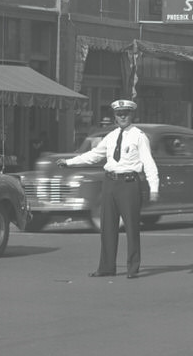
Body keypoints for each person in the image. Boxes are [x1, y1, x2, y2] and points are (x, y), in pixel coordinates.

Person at [64, 98, 159, 278]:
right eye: (119, 114)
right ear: (115, 116)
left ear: (132, 115)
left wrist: (154, 188)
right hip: (109, 183)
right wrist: (69, 162)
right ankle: (107, 267)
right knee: (107, 226)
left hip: (129, 183)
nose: (122, 117)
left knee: (131, 227)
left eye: (126, 114)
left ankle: (133, 268)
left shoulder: (139, 136)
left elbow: (149, 162)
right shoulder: (111, 136)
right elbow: (94, 155)